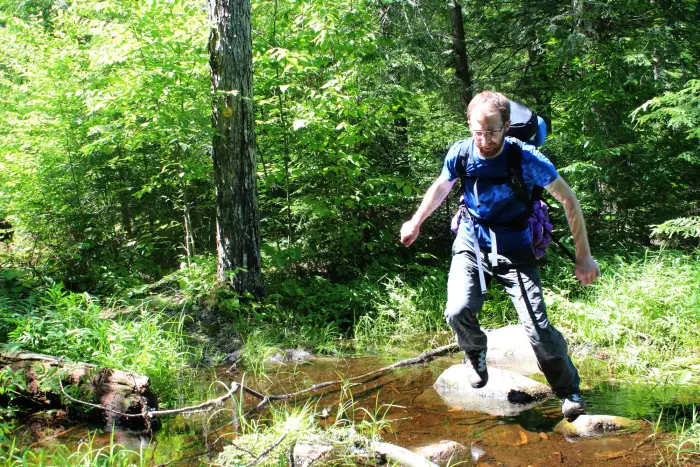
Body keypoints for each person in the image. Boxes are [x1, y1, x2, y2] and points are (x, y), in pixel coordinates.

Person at [400, 91, 600, 420]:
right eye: (478, 131)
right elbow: (441, 187)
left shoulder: (525, 157)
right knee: (458, 309)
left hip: (514, 248)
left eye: (492, 131)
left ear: (506, 127)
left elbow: (569, 199)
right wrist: (415, 221)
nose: (484, 139)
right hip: (470, 242)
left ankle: (569, 391)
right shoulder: (461, 153)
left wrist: (584, 255)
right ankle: (475, 353)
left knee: (537, 327)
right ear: (469, 125)